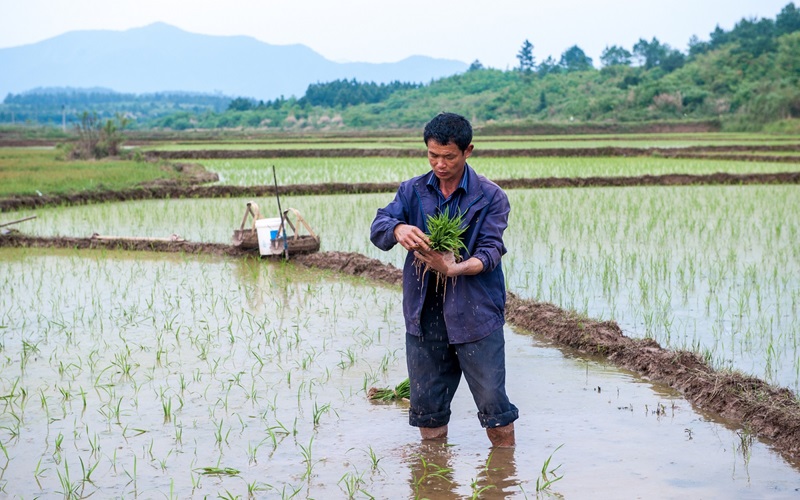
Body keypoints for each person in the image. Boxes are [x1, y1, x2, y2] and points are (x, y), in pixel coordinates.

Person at [370, 112, 518, 447]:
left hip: (476, 314)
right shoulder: (412, 191)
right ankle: (435, 478)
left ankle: (503, 477)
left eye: (448, 156)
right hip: (425, 315)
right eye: (432, 155)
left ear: (468, 151)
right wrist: (398, 228)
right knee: (428, 409)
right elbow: (379, 226)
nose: (439, 164)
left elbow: (491, 251)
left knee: (494, 405)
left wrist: (453, 268)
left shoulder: (491, 196)